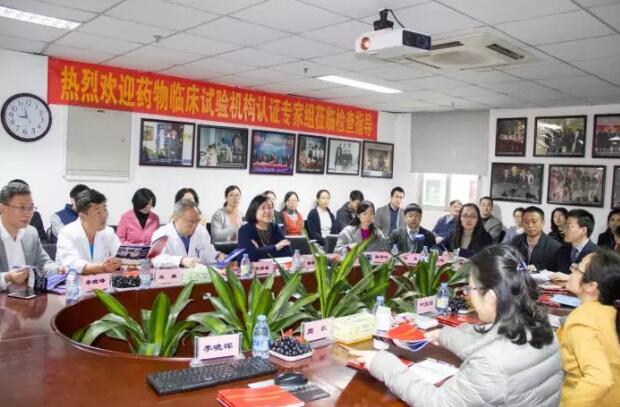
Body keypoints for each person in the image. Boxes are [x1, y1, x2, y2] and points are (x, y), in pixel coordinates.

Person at [350, 245, 562, 406]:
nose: (468, 295)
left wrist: (383, 363)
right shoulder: (543, 329)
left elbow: (435, 402)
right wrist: (441, 334)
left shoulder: (490, 365)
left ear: (491, 297)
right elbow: (486, 342)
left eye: (470, 289)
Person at [558, 249, 620, 406]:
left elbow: (599, 378)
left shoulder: (583, 319)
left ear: (591, 286)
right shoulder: (610, 310)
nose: (572, 269)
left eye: (578, 267)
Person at [0, 182, 62, 291]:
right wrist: (6, 277)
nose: (28, 213)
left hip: (27, 296)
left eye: (31, 208)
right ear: (3, 208)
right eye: (21, 208)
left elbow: (43, 263)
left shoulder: (31, 233)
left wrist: (59, 269)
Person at [56, 189, 121, 274]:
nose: (104, 215)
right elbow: (72, 263)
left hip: (102, 280)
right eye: (98, 212)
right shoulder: (67, 233)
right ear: (83, 217)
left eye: (104, 209)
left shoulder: (109, 232)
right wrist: (101, 268)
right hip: (73, 281)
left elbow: (121, 256)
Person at [151, 198, 223, 268]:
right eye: (191, 221)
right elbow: (155, 259)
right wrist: (181, 260)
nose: (195, 226)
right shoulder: (161, 233)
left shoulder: (201, 231)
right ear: (176, 217)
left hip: (198, 274)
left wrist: (217, 256)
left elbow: (206, 252)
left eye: (197, 221)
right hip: (173, 275)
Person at [237, 195, 292, 261]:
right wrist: (276, 247)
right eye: (263, 208)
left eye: (269, 207)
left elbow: (288, 252)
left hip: (275, 266)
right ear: (254, 210)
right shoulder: (245, 230)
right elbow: (247, 256)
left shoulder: (275, 228)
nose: (267, 211)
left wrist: (259, 250)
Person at [510, 206, 561, 272]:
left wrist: (539, 267)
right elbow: (509, 262)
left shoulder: (555, 246)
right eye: (526, 222)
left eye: (534, 222)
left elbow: (557, 271)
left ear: (542, 223)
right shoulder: (516, 241)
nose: (530, 225)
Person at [552, 209, 598, 274]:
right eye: (565, 226)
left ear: (583, 230)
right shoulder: (562, 250)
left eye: (569, 227)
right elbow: (552, 272)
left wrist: (568, 278)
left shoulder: (597, 255)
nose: (564, 230)